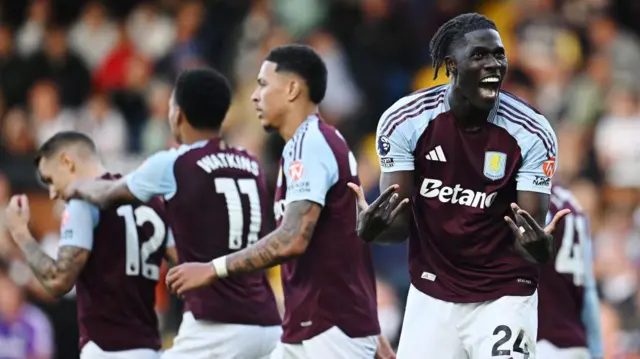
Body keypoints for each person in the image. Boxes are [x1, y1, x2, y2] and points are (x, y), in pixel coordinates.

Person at [349, 13, 570, 359]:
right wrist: (371, 229)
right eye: (480, 56)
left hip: (504, 295)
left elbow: (529, 240)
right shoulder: (405, 121)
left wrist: (542, 248)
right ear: (451, 65)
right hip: (432, 292)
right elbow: (397, 227)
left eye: (499, 55)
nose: (494, 65)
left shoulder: (532, 132)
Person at [166, 45, 393, 359]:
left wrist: (213, 268)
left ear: (291, 89)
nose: (254, 96)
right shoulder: (316, 142)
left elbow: (293, 238)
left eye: (263, 84)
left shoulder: (310, 144)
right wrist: (374, 332)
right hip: (310, 326)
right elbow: (343, 245)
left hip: (331, 329)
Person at [63, 68, 282, 359]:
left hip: (217, 326)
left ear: (177, 114)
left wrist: (73, 188)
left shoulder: (173, 163)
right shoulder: (250, 163)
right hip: (267, 323)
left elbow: (107, 193)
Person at [4, 131, 175, 359]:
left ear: (67, 162)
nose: (53, 194)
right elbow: (183, 261)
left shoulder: (83, 199)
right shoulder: (152, 201)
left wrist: (21, 235)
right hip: (150, 349)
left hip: (106, 349)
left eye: (50, 180)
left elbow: (58, 281)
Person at [537, 185, 604, 359]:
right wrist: (596, 351)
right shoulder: (572, 202)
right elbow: (588, 292)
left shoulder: (529, 198)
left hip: (539, 339)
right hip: (575, 342)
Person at [0, 258, 54, 359]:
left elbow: (43, 355)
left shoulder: (36, 320)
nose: (5, 296)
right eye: (2, 290)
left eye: (9, 289)